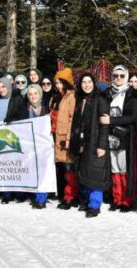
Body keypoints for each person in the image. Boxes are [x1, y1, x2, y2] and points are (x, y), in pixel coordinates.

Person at [70, 73, 111, 218]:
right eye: (83, 82)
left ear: (93, 83)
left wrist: (101, 146)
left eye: (89, 82)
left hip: (95, 142)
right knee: (84, 172)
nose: (86, 85)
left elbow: (104, 126)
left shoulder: (100, 99)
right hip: (82, 142)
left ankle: (95, 205)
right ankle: (87, 201)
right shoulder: (80, 99)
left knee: (95, 174)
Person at [101, 65, 137, 212]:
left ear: (127, 77)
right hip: (110, 137)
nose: (118, 78)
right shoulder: (107, 93)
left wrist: (112, 121)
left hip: (124, 137)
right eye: (115, 75)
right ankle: (116, 198)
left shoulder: (131, 94)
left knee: (124, 169)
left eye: (121, 76)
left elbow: (134, 116)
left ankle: (126, 199)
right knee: (114, 168)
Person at [52, 68, 78, 210]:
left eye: (60, 82)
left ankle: (71, 196)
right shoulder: (60, 97)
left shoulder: (71, 97)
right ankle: (67, 195)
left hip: (65, 139)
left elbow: (72, 119)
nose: (57, 85)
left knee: (69, 169)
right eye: (56, 83)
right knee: (65, 169)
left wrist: (68, 138)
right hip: (59, 138)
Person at [26, 84, 51, 209]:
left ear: (39, 94)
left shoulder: (46, 107)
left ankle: (42, 198)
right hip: (30, 145)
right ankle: (37, 195)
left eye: (35, 93)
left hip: (44, 145)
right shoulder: (26, 108)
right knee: (34, 170)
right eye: (30, 94)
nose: (33, 96)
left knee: (43, 170)